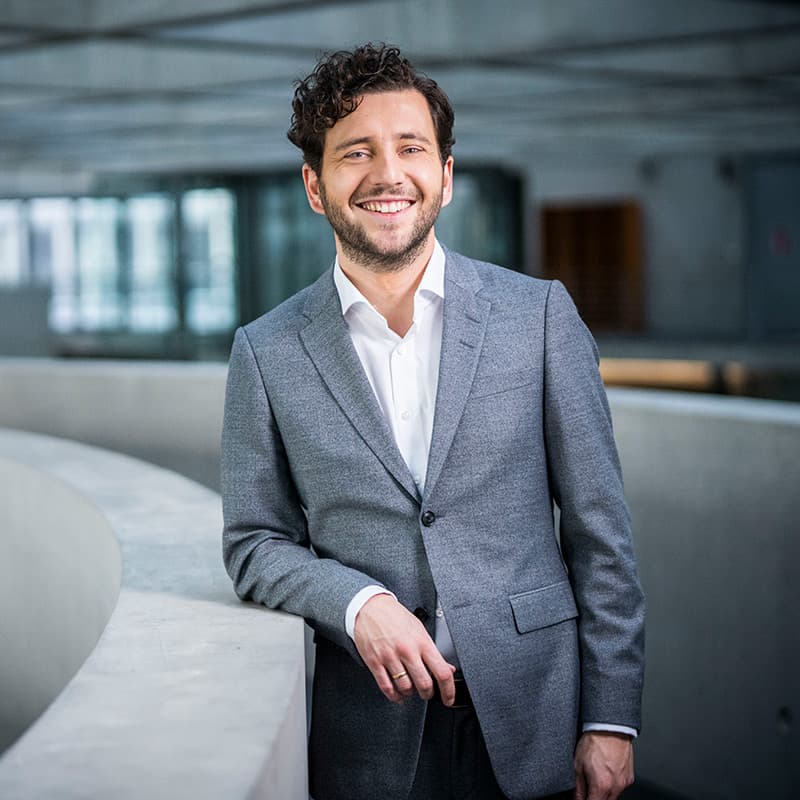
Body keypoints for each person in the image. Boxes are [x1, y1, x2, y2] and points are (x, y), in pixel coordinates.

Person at [221, 43, 645, 800]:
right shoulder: (265, 352)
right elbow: (254, 543)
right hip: (369, 737)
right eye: (357, 152)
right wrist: (356, 603)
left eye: (410, 148)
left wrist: (611, 721)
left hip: (536, 714)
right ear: (316, 187)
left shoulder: (539, 316)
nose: (388, 173)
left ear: (445, 177)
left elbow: (600, 534)